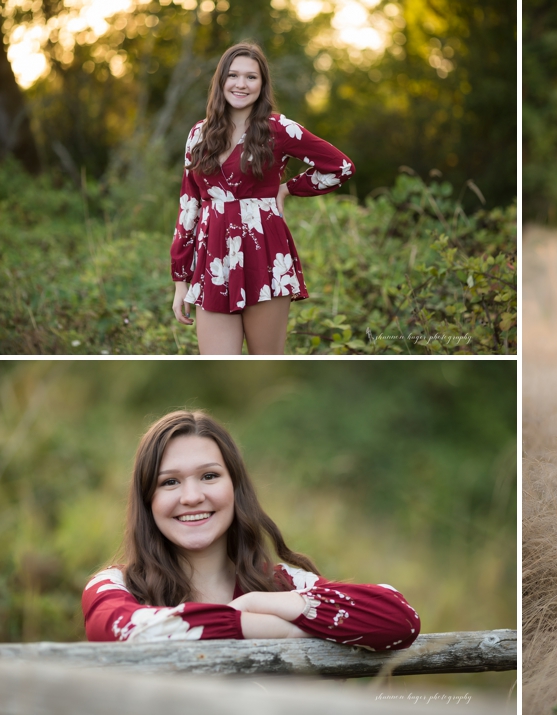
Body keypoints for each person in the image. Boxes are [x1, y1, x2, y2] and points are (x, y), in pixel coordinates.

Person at [83, 411, 420, 649]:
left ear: (235, 488)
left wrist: (259, 601)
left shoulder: (282, 584)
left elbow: (400, 620)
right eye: (169, 482)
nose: (192, 497)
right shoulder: (115, 585)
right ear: (148, 500)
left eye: (209, 476)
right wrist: (267, 627)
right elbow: (128, 630)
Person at [170, 42, 355, 355]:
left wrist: (288, 188)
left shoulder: (279, 129)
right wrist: (180, 279)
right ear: (221, 81)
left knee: (265, 363)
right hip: (213, 260)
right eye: (233, 75)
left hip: (265, 256)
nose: (241, 84)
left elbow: (341, 167)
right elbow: (189, 205)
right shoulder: (199, 134)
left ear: (262, 84)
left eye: (251, 77)